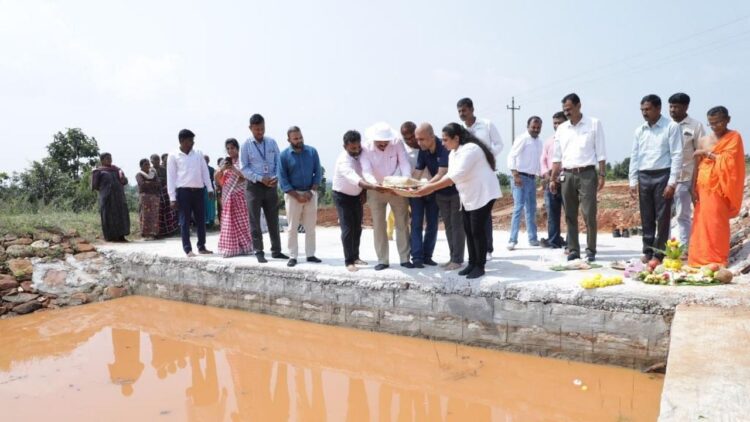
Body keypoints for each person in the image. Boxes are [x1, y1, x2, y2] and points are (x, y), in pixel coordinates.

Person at [414, 123, 500, 279]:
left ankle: (479, 266)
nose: (443, 142)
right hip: (469, 195)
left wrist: (430, 188)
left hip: (484, 193)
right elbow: (449, 175)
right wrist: (428, 185)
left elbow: (455, 176)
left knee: (477, 230)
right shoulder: (454, 152)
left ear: (456, 138)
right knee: (468, 229)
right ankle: (472, 263)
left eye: (446, 140)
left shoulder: (471, 149)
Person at [550, 93, 607, 262]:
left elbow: (601, 152)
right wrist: (553, 179)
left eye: (569, 109)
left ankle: (591, 250)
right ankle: (574, 249)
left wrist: (602, 174)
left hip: (587, 174)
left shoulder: (594, 124)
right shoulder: (562, 129)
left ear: (578, 106)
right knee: (569, 214)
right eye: (564, 110)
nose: (566, 113)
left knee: (589, 213)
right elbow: (557, 157)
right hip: (566, 175)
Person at [688, 106, 745, 267]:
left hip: (721, 187)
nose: (715, 127)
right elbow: (697, 165)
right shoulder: (704, 140)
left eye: (718, 123)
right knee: (702, 222)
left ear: (728, 120)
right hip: (703, 186)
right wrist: (692, 188)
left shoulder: (734, 137)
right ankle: (700, 259)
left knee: (717, 222)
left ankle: (717, 259)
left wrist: (707, 154)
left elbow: (731, 163)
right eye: (711, 124)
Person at [629, 94, 683, 263]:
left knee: (663, 217)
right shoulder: (640, 130)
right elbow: (635, 155)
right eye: (642, 110)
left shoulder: (671, 127)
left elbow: (677, 155)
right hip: (644, 175)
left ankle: (659, 253)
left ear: (658, 109)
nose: (644, 113)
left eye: (648, 109)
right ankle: (647, 251)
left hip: (663, 175)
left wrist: (672, 182)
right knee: (646, 216)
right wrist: (632, 180)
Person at [361, 122, 412, 270]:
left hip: (396, 188)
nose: (383, 145)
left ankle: (404, 258)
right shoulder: (365, 148)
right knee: (379, 225)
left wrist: (405, 180)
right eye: (380, 143)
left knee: (402, 223)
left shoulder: (397, 143)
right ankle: (382, 260)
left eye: (386, 142)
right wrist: (376, 185)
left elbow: (404, 164)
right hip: (376, 189)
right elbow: (366, 170)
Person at [332, 130, 386, 272]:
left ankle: (355, 256)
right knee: (348, 228)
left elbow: (366, 171)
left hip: (356, 195)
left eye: (358, 147)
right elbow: (355, 178)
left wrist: (364, 191)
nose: (356, 151)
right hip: (342, 196)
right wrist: (373, 187)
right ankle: (349, 261)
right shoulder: (343, 161)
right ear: (345, 147)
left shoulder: (362, 153)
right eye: (352, 149)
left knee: (357, 227)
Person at [457, 97, 503, 260]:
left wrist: (486, 156)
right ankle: (474, 255)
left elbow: (499, 144)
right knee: (471, 216)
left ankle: (487, 249)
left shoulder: (487, 125)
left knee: (483, 214)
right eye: (459, 111)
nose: (462, 114)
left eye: (464, 110)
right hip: (468, 178)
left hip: (484, 174)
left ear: (472, 110)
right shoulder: (459, 130)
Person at [412, 123, 462, 269]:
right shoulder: (423, 150)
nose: (419, 143)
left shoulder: (444, 147)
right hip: (440, 193)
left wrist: (426, 187)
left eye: (422, 139)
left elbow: (442, 173)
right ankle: (453, 258)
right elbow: (417, 172)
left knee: (457, 227)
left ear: (432, 137)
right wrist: (408, 185)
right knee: (448, 227)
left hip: (455, 192)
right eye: (417, 139)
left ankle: (457, 260)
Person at [240, 114, 289, 263]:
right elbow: (244, 168)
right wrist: (261, 178)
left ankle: (276, 250)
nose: (260, 132)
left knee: (273, 219)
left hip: (271, 185)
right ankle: (258, 250)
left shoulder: (272, 142)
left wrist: (275, 177)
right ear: (250, 128)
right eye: (257, 130)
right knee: (254, 220)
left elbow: (279, 162)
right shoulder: (246, 145)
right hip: (254, 186)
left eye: (262, 128)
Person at [278, 126, 323, 267]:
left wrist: (311, 191)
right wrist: (296, 195)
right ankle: (293, 256)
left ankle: (310, 255)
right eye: (295, 138)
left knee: (310, 226)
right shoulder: (284, 155)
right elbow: (283, 178)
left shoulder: (312, 152)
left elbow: (318, 173)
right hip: (293, 196)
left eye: (300, 137)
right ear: (289, 140)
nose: (299, 140)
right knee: (292, 227)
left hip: (310, 194)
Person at [167, 129, 214, 257]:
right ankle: (188, 249)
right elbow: (170, 177)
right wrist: (172, 198)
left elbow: (205, 172)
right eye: (190, 140)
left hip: (199, 191)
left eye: (193, 140)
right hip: (183, 193)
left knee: (201, 220)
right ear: (181, 141)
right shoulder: (173, 156)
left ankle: (202, 246)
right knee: (185, 221)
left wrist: (210, 188)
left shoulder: (198, 154)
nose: (192, 143)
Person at [668, 92, 706, 252]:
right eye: (670, 106)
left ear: (686, 107)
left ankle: (684, 250)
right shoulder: (665, 125)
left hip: (685, 178)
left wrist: (695, 182)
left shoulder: (695, 126)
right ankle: (666, 249)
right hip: (664, 179)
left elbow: (701, 153)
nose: (672, 110)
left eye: (676, 107)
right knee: (663, 217)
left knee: (683, 215)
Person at [507, 116, 544, 250]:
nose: (535, 130)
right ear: (527, 127)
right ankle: (512, 240)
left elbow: (538, 161)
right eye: (533, 127)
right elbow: (511, 156)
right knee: (518, 209)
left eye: (538, 127)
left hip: (532, 179)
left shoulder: (539, 142)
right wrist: (515, 174)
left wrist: (541, 176)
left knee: (531, 210)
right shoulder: (522, 139)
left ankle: (533, 239)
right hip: (520, 178)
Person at [215, 138, 253, 258]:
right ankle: (230, 248)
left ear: (237, 148)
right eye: (228, 149)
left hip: (240, 195)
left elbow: (245, 176)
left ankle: (245, 246)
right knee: (228, 222)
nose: (230, 151)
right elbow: (216, 177)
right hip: (228, 196)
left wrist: (233, 168)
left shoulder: (242, 161)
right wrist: (222, 169)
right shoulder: (225, 163)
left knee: (242, 223)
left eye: (232, 148)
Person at [539, 112, 568, 249]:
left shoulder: (571, 139)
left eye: (559, 122)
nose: (557, 125)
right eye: (555, 123)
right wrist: (546, 175)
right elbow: (543, 160)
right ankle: (554, 240)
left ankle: (571, 242)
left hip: (566, 178)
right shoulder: (549, 141)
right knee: (552, 212)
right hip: (550, 179)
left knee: (570, 212)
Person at [91, 153, 130, 242]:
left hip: (119, 197)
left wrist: (123, 179)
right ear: (102, 160)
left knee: (121, 215)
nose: (109, 160)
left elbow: (125, 181)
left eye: (110, 158)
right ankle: (111, 237)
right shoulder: (98, 171)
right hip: (107, 198)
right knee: (109, 216)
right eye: (107, 158)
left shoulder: (117, 170)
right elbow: (95, 186)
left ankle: (121, 236)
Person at [151, 154, 179, 237]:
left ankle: (169, 231)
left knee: (168, 212)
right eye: (154, 159)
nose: (156, 161)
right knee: (157, 214)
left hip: (165, 193)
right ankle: (157, 232)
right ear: (151, 161)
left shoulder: (164, 169)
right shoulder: (150, 170)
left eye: (157, 159)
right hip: (155, 195)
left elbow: (169, 180)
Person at [135, 158, 161, 240]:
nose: (148, 166)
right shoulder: (139, 175)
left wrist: (149, 183)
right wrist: (152, 183)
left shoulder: (153, 174)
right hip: (145, 197)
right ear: (141, 166)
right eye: (145, 164)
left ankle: (154, 233)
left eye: (148, 164)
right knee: (145, 215)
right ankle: (145, 234)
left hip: (154, 197)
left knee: (154, 215)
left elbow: (158, 183)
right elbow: (142, 184)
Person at [204, 155, 217, 228]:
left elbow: (215, 179)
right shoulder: (199, 169)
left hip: (210, 190)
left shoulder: (211, 169)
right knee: (203, 206)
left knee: (211, 206)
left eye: (206, 160)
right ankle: (205, 222)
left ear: (208, 161)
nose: (205, 161)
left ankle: (211, 221)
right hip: (202, 190)